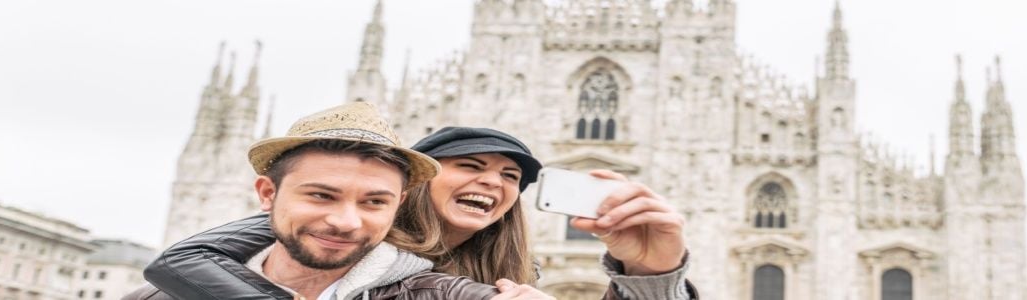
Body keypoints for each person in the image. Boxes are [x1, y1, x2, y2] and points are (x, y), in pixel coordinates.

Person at [140, 125, 695, 299]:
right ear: (412, 185)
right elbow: (182, 261)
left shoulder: (496, 279)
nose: (492, 182)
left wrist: (652, 273)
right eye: (470, 165)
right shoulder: (332, 237)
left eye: (511, 177)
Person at [125, 102, 551, 300]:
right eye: (322, 195)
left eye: (510, 176)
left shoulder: (487, 276)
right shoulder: (315, 236)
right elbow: (180, 260)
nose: (345, 221)